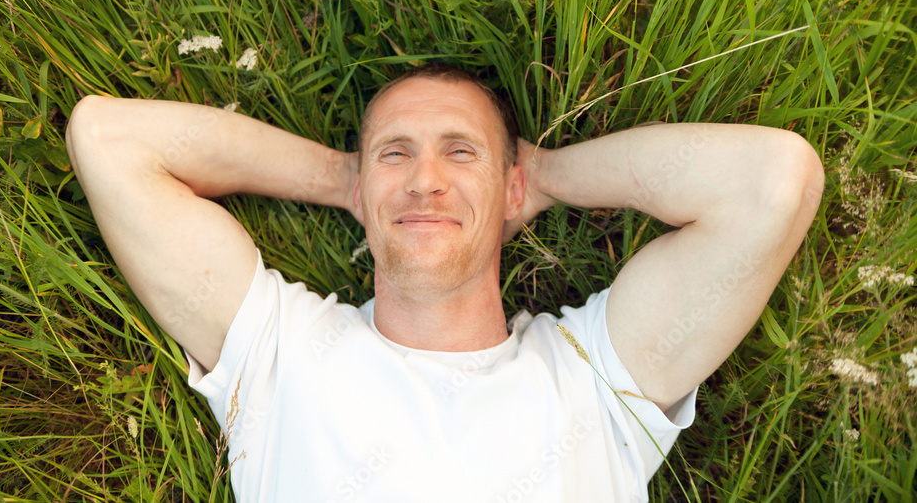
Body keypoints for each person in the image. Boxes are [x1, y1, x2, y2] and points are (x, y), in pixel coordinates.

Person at [64, 64, 824, 502]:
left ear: (510, 192)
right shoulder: (278, 355)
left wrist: (546, 177)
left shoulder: (597, 381)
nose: (425, 180)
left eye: (461, 153)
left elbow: (773, 181)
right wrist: (347, 180)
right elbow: (107, 139)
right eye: (396, 153)